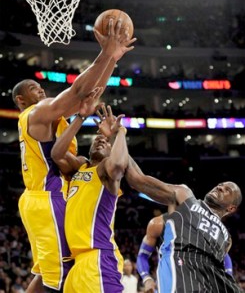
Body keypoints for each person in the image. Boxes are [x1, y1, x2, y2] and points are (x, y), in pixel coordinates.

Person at [12, 18, 136, 293]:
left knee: (46, 273)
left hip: (41, 198)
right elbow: (79, 91)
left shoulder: (48, 118)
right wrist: (106, 54)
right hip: (48, 198)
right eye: (33, 88)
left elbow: (89, 95)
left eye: (40, 87)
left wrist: (112, 60)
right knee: (59, 277)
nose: (41, 90)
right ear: (21, 101)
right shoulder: (37, 112)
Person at [125, 159, 243, 293]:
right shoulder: (185, 198)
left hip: (210, 283)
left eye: (227, 190)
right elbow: (137, 180)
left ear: (231, 208)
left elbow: (225, 268)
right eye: (220, 185)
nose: (220, 187)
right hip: (181, 273)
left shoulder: (226, 238)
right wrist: (147, 279)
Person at [51, 104, 129, 293]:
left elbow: (118, 164)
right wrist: (80, 117)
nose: (100, 140)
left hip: (98, 258)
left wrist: (119, 133)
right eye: (96, 140)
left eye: (105, 143)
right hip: (77, 264)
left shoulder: (106, 173)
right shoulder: (81, 166)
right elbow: (56, 154)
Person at [137, 212, 235, 293]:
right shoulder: (159, 224)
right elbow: (142, 256)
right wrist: (147, 279)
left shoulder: (204, 228)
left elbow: (225, 256)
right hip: (169, 284)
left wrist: (227, 278)